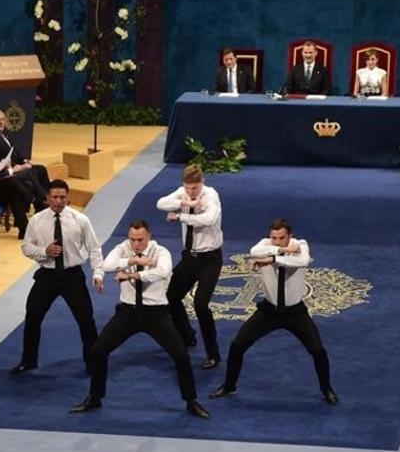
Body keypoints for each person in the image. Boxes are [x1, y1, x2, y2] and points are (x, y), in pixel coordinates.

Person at [72, 220, 211, 419]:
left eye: (140, 240)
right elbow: (107, 265)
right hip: (127, 313)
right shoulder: (123, 249)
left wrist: (133, 276)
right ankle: (95, 398)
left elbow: (161, 272)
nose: (135, 244)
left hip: (155, 314)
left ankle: (191, 401)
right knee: (98, 351)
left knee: (181, 355)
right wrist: (133, 262)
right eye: (132, 239)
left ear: (149, 237)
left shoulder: (161, 252)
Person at [210, 219, 338, 404]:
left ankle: (326, 389)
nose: (277, 241)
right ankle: (230, 386)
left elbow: (302, 261)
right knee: (237, 345)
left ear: (290, 236)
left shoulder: (301, 245)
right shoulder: (265, 244)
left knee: (317, 350)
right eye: (274, 238)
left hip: (295, 312)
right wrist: (280, 251)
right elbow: (253, 252)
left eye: (282, 238)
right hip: (269, 311)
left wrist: (272, 258)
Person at [14, 179, 105, 375]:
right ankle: (28, 361)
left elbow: (94, 248)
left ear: (68, 197)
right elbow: (26, 247)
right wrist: (44, 251)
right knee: (32, 318)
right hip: (46, 276)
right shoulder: (36, 220)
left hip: (73, 276)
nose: (58, 201)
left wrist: (98, 272)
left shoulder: (80, 220)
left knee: (86, 321)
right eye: (54, 197)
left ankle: (93, 362)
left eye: (62, 197)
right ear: (47, 197)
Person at [156, 165, 225, 369]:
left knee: (201, 305)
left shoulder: (211, 195)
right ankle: (187, 336)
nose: (191, 192)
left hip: (210, 259)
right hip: (189, 258)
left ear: (202, 182)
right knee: (170, 298)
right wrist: (182, 201)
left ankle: (213, 354)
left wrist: (180, 216)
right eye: (187, 188)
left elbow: (209, 218)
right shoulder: (183, 193)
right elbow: (160, 203)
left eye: (194, 188)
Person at [0, 107, 51, 194]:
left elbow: (14, 150)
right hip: (11, 168)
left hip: (19, 164)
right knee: (33, 172)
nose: (1, 122)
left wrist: (24, 160)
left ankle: (50, 193)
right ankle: (45, 197)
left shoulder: (4, 133)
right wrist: (19, 166)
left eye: (3, 119)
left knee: (41, 169)